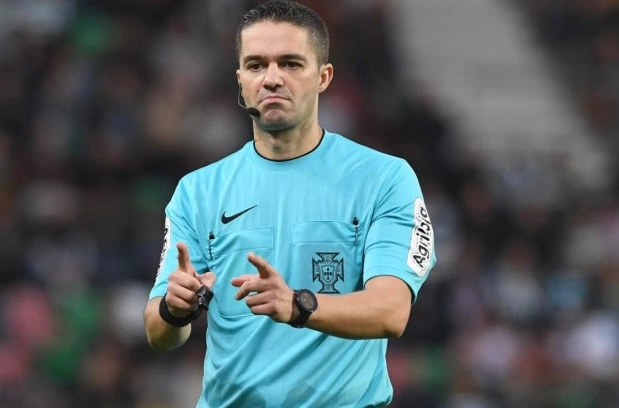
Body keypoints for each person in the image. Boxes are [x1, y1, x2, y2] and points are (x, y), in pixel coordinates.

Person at [143, 1, 436, 406]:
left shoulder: (384, 179)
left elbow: (391, 311)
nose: (272, 78)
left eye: (291, 64)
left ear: (323, 77)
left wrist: (299, 305)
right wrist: (175, 310)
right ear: (240, 79)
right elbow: (159, 333)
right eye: (256, 65)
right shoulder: (198, 191)